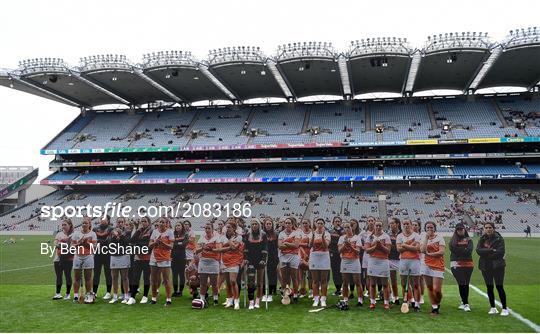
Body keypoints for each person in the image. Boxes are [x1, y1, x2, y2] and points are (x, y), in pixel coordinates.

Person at [476, 222, 508, 316]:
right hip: (485, 266)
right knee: (489, 287)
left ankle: (504, 308)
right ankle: (493, 307)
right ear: (484, 229)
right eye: (486, 227)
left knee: (499, 287)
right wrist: (491, 250)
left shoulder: (499, 238)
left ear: (493, 228)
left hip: (498, 266)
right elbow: (478, 250)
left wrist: (486, 253)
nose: (488, 229)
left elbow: (500, 252)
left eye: (490, 227)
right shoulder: (482, 238)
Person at [396, 218, 422, 312]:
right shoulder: (399, 236)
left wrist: (404, 245)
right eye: (404, 224)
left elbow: (417, 248)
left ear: (411, 224)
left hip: (414, 261)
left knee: (415, 284)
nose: (406, 225)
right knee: (403, 283)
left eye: (408, 223)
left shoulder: (416, 235)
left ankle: (417, 303)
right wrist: (411, 246)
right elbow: (398, 249)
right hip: (403, 261)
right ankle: (407, 301)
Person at [420, 221, 445, 316]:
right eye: (427, 228)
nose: (430, 229)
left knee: (437, 290)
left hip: (438, 265)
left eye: (431, 227)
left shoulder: (440, 238)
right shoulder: (423, 238)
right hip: (426, 265)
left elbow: (441, 252)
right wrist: (426, 238)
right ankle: (434, 307)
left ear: (434, 228)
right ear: (425, 229)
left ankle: (437, 303)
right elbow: (422, 250)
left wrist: (429, 254)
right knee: (430, 288)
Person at [365, 221, 391, 310]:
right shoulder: (370, 237)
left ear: (382, 226)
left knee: (385, 284)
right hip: (373, 261)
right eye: (377, 225)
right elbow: (367, 250)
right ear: (374, 226)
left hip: (383, 261)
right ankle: (372, 302)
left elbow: (388, 251)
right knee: (372, 283)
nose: (378, 227)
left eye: (380, 225)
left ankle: (386, 303)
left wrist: (381, 246)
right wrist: (376, 246)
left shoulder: (386, 236)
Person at [218, 223, 244, 310]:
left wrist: (229, 243)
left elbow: (234, 247)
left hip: (235, 261)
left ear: (234, 228)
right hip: (224, 261)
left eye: (229, 227)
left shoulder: (239, 237)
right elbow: (220, 249)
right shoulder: (222, 237)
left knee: (233, 281)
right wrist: (229, 245)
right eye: (227, 227)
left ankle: (236, 300)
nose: (227, 228)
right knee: (228, 283)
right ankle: (229, 300)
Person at [149, 217, 174, 306]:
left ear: (166, 223)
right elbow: (150, 245)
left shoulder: (170, 232)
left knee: (166, 279)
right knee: (154, 279)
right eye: (160, 222)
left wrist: (162, 243)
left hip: (165, 257)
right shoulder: (155, 232)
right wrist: (155, 242)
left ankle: (168, 299)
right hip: (154, 257)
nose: (161, 223)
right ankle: (154, 298)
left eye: (163, 222)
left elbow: (171, 246)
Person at [244, 219, 268, 310]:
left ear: (258, 225)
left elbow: (265, 247)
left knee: (260, 282)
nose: (254, 225)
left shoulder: (263, 235)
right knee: (250, 282)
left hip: (260, 260)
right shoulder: (248, 235)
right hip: (250, 260)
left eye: (256, 224)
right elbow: (246, 248)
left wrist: (263, 259)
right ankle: (251, 301)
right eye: (252, 224)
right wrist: (246, 258)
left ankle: (258, 300)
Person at [72, 217, 97, 303]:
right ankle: (75, 296)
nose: (84, 225)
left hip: (88, 256)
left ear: (89, 224)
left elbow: (94, 247)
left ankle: (88, 296)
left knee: (88, 277)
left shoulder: (93, 234)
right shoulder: (76, 233)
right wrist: (79, 243)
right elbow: (72, 246)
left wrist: (86, 243)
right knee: (76, 277)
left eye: (86, 223)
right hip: (78, 256)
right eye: (83, 223)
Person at [196, 222, 222, 306]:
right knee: (203, 283)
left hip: (213, 262)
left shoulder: (216, 238)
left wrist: (211, 249)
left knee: (214, 283)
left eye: (209, 228)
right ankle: (202, 299)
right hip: (203, 262)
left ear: (212, 229)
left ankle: (215, 300)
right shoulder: (201, 238)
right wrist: (202, 248)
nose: (207, 230)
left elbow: (219, 250)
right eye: (206, 228)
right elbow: (196, 251)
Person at [449, 223, 473, 312]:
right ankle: (466, 303)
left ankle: (463, 302)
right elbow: (453, 249)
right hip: (456, 264)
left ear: (464, 229)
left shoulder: (469, 239)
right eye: (458, 229)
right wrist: (464, 249)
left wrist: (461, 250)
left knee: (465, 283)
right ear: (456, 230)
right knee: (462, 282)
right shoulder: (452, 240)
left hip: (468, 264)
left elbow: (469, 250)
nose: (460, 231)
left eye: (461, 229)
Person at [338, 221, 363, 307]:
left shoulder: (357, 238)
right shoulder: (341, 238)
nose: (346, 229)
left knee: (357, 282)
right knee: (345, 282)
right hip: (345, 261)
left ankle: (360, 300)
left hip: (354, 261)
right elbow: (339, 251)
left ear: (352, 227)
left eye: (348, 227)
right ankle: (345, 299)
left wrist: (351, 246)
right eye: (345, 227)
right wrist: (345, 245)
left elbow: (358, 251)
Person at [127, 216, 152, 304]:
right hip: (137, 257)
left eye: (145, 221)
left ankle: (145, 296)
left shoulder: (151, 231)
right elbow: (132, 240)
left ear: (148, 222)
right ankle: (132, 297)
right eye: (142, 221)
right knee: (135, 277)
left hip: (147, 258)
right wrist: (138, 230)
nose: (143, 223)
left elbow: (148, 243)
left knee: (146, 277)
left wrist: (139, 245)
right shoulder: (139, 231)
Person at [108, 217, 131, 304]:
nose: (120, 223)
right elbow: (109, 242)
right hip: (114, 255)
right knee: (114, 277)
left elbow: (128, 242)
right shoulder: (112, 231)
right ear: (116, 223)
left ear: (124, 223)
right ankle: (115, 296)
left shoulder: (128, 232)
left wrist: (120, 236)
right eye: (119, 222)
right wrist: (114, 237)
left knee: (124, 277)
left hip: (124, 255)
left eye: (122, 222)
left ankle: (126, 296)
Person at [309, 218, 331, 307]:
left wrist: (322, 237)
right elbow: (310, 245)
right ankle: (316, 298)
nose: (320, 224)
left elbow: (326, 246)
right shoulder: (312, 233)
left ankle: (323, 298)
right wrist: (314, 236)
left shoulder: (327, 234)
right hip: (314, 256)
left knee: (323, 280)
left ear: (324, 224)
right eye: (318, 223)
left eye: (322, 223)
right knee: (315, 280)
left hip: (324, 256)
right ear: (316, 224)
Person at [278, 217, 300, 303]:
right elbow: (280, 246)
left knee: (294, 277)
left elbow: (296, 245)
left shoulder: (296, 233)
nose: (287, 224)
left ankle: (295, 295)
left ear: (292, 224)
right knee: (284, 278)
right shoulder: (281, 234)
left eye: (289, 223)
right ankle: (285, 295)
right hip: (283, 256)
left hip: (293, 256)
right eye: (286, 223)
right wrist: (291, 244)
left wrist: (286, 243)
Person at [93, 215, 113, 300]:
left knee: (108, 273)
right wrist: (100, 242)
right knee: (96, 273)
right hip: (97, 253)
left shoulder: (111, 229)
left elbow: (109, 241)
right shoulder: (95, 229)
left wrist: (99, 242)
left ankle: (108, 292)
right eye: (101, 218)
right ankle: (94, 292)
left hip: (107, 253)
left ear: (108, 220)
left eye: (104, 219)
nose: (102, 220)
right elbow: (93, 240)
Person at [52, 219, 74, 300]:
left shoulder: (73, 234)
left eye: (65, 225)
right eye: (63, 225)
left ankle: (67, 294)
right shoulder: (59, 234)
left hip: (68, 258)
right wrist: (59, 245)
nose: (63, 226)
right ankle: (58, 293)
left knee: (67, 275)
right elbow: (55, 243)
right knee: (58, 276)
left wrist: (62, 245)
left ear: (70, 225)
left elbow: (73, 246)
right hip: (58, 258)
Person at [262, 217, 279, 302]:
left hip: (273, 257)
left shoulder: (276, 234)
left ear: (272, 225)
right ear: (264, 225)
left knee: (272, 275)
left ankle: (271, 293)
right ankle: (264, 293)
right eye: (267, 224)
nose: (268, 225)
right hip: (263, 257)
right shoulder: (261, 234)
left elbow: (277, 247)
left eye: (269, 224)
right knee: (263, 275)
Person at [360, 217, 375, 295]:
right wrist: (364, 248)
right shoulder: (363, 233)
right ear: (367, 222)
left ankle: (376, 291)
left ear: (374, 222)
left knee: (375, 275)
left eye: (372, 220)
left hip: (375, 255)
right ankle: (369, 291)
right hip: (366, 255)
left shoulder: (378, 232)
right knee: (367, 274)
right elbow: (358, 242)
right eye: (369, 221)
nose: (370, 222)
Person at [388, 217, 401, 305]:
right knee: (392, 279)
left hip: (401, 259)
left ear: (397, 224)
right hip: (390, 259)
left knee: (405, 279)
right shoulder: (388, 234)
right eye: (390, 223)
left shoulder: (402, 234)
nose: (391, 225)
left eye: (393, 223)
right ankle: (395, 296)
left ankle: (409, 297)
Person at [171, 222, 187, 297]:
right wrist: (178, 242)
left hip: (182, 257)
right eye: (176, 225)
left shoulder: (185, 234)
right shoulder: (172, 234)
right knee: (174, 274)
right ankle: (175, 291)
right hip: (173, 257)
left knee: (181, 274)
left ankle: (180, 291)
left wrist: (175, 242)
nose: (177, 227)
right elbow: (171, 245)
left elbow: (184, 244)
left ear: (182, 227)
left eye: (179, 225)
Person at [297, 218, 312, 298]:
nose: (305, 225)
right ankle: (303, 290)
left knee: (310, 274)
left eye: (306, 223)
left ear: (309, 223)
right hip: (302, 254)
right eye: (303, 223)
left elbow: (311, 244)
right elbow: (298, 244)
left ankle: (311, 290)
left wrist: (304, 244)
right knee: (302, 273)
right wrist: (304, 252)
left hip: (311, 253)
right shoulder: (300, 233)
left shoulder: (312, 233)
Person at [329, 216, 343, 295]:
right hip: (333, 253)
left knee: (342, 271)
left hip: (341, 253)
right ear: (333, 223)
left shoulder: (344, 231)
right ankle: (337, 289)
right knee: (335, 272)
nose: (337, 223)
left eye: (339, 221)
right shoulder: (330, 231)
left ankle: (342, 287)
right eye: (336, 221)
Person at [412, 220, 425, 304]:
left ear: (419, 227)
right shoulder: (409, 235)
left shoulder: (422, 235)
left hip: (420, 259)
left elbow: (421, 248)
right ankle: (413, 296)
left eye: (416, 225)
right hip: (412, 258)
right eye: (412, 225)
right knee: (412, 279)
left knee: (420, 278)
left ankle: (421, 296)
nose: (414, 226)